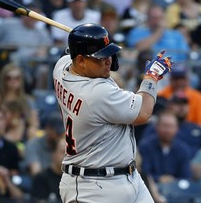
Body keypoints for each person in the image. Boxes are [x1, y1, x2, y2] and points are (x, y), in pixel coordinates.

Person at [52, 23, 173, 203]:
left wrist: (87, 38)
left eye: (108, 54)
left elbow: (67, 52)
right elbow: (143, 112)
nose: (108, 60)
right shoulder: (96, 93)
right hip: (93, 187)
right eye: (100, 57)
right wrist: (151, 77)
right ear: (80, 61)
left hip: (128, 177)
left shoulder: (61, 67)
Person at [139, 110, 192, 184]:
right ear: (156, 127)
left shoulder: (183, 149)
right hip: (150, 188)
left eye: (171, 126)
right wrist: (159, 179)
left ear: (177, 129)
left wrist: (172, 181)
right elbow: (144, 173)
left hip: (176, 190)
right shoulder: (145, 146)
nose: (167, 130)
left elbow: (186, 176)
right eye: (164, 126)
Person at [125, 4, 190, 61]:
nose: (157, 21)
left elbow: (184, 56)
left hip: (174, 71)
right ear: (148, 18)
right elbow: (138, 49)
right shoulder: (137, 32)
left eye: (159, 18)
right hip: (147, 70)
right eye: (153, 18)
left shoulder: (176, 35)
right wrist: (159, 31)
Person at [23, 112, 65, 176]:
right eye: (58, 133)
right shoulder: (33, 144)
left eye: (62, 133)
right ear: (48, 129)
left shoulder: (63, 146)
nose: (60, 136)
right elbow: (36, 173)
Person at [31, 138, 65, 202]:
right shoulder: (41, 178)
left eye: (68, 153)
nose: (66, 156)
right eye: (63, 152)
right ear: (53, 154)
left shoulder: (72, 178)